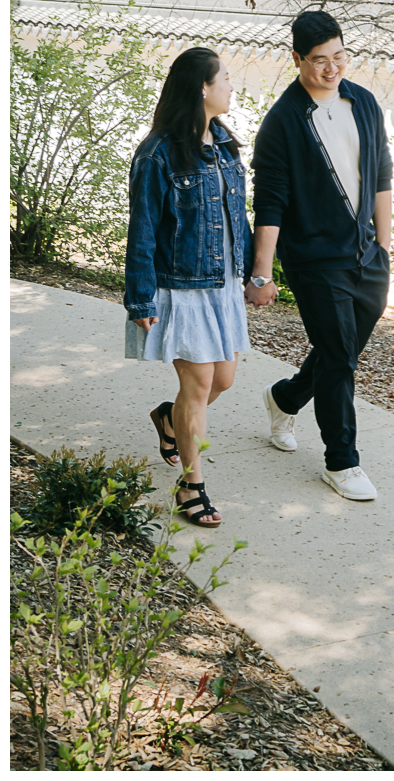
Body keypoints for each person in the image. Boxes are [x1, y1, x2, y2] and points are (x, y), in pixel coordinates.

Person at [246, 10, 392, 500]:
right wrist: (262, 272)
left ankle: (284, 398)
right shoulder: (283, 122)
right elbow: (268, 202)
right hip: (313, 256)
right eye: (320, 60)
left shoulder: (364, 103)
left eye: (340, 57)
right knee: (338, 355)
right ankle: (342, 461)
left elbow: (382, 176)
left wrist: (385, 247)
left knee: (341, 352)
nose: (332, 69)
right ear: (297, 60)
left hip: (366, 253)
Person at [124, 47, 253, 528]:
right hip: (180, 286)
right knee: (197, 386)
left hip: (222, 284)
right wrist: (139, 296)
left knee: (223, 380)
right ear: (202, 86)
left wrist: (252, 274)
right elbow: (142, 229)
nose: (231, 86)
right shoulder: (157, 152)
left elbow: (234, 217)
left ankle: (167, 419)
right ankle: (191, 486)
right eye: (226, 78)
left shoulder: (223, 143)